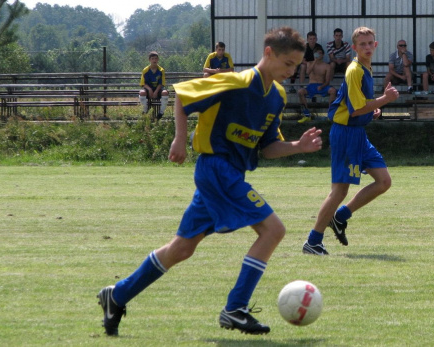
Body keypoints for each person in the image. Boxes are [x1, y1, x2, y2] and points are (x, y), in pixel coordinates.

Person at [97, 26, 323, 336]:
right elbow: (182, 96)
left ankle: (117, 295)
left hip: (229, 174)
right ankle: (235, 308)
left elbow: (267, 147)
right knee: (274, 230)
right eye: (287, 63)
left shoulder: (277, 97)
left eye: (296, 66)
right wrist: (179, 139)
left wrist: (297, 147)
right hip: (216, 168)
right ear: (268, 53)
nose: (291, 71)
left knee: (181, 249)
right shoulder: (234, 82)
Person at [302, 27, 399, 255]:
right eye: (362, 44)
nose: (367, 47)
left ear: (375, 45)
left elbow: (360, 107)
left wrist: (371, 111)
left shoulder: (365, 67)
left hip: (358, 133)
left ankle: (340, 217)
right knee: (339, 191)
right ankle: (313, 241)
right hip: (346, 134)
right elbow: (355, 110)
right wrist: (384, 100)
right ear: (354, 48)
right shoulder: (354, 70)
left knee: (383, 181)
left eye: (370, 43)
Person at [297, 47, 337, 123]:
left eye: (320, 53)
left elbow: (327, 81)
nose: (318, 55)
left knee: (333, 91)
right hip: (311, 85)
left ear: (323, 55)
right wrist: (315, 61)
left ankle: (330, 115)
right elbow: (308, 72)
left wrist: (322, 86)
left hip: (322, 85)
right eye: (316, 53)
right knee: (300, 92)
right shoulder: (310, 63)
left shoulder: (327, 66)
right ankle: (306, 115)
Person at [139, 51, 169, 120]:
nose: (154, 60)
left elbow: (161, 83)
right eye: (152, 59)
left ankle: (161, 113)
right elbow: (143, 83)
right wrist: (149, 90)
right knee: (142, 93)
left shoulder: (161, 70)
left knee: (165, 93)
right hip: (148, 90)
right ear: (149, 60)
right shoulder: (145, 70)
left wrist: (155, 92)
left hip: (158, 90)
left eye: (156, 58)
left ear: (158, 59)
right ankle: (145, 111)